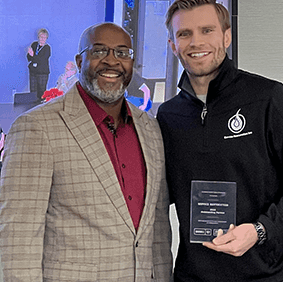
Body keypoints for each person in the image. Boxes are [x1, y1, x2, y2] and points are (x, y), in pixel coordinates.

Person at [156, 0, 283, 282]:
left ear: (226, 37)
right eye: (184, 34)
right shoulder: (169, 116)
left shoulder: (267, 98)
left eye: (207, 30)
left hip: (272, 275)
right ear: (172, 45)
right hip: (195, 276)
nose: (196, 42)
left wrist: (259, 230)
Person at [0, 23, 171, 280]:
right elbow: (18, 237)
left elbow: (157, 231)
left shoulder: (150, 129)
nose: (112, 61)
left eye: (122, 53)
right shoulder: (36, 128)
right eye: (99, 51)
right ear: (80, 60)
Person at [26, 28, 51, 96]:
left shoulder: (47, 48)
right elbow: (28, 57)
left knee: (41, 93)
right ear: (38, 37)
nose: (42, 39)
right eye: (41, 37)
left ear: (46, 38)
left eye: (44, 37)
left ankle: (41, 106)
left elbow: (42, 60)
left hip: (42, 73)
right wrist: (31, 55)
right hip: (33, 72)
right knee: (33, 92)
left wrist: (33, 55)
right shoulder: (34, 45)